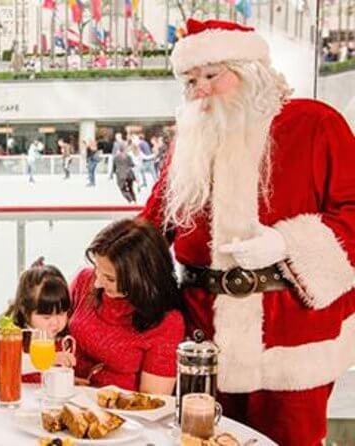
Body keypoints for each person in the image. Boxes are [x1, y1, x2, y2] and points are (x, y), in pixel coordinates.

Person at [140, 19, 355, 445]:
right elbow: (151, 224)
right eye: (189, 80)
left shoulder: (314, 123)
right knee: (201, 439)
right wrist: (100, 272)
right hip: (204, 336)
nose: (198, 90)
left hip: (291, 336)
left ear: (248, 68)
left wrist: (287, 244)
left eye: (210, 76)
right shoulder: (192, 141)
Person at [69, 219, 185, 393]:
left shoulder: (166, 322)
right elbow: (53, 338)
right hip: (66, 399)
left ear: (141, 277)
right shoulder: (85, 280)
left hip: (122, 415)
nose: (98, 283)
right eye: (97, 269)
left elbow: (154, 402)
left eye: (110, 278)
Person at [3, 263, 76, 383]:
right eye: (46, 317)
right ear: (25, 311)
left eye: (62, 314)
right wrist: (50, 359)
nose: (55, 323)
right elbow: (9, 364)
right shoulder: (15, 336)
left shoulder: (63, 341)